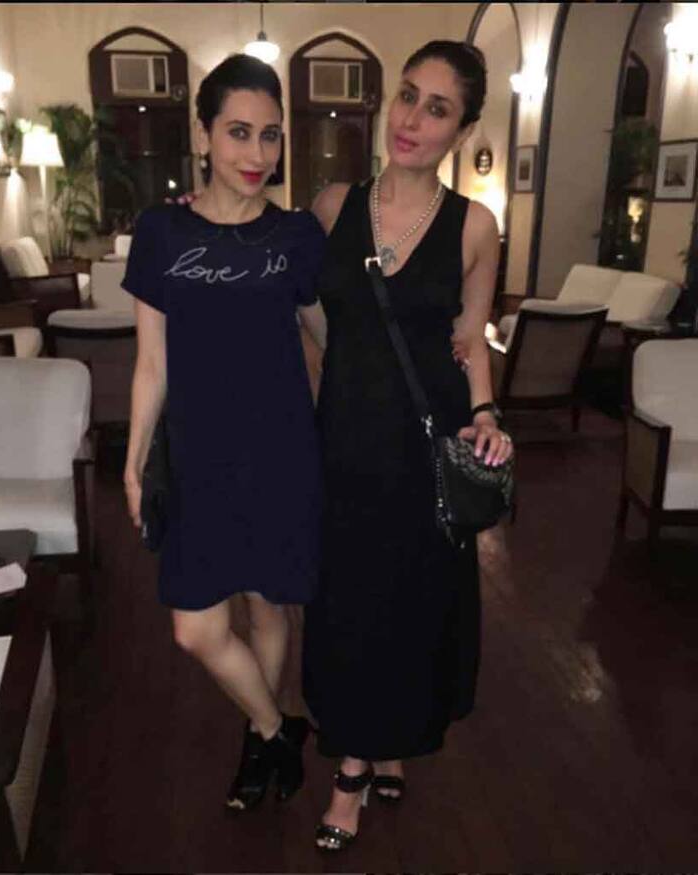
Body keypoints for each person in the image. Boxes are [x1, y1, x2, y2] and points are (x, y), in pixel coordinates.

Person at [301, 41, 514, 851]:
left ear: (463, 129)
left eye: (438, 108)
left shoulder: (475, 226)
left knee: (407, 606)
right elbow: (310, 313)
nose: (412, 119)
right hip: (345, 439)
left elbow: (469, 338)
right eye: (407, 95)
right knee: (349, 604)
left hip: (424, 448)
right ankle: (376, 745)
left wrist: (486, 413)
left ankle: (353, 769)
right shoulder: (332, 207)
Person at [122, 54, 329, 813]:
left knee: (270, 607)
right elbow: (151, 362)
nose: (256, 153)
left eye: (270, 135)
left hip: (281, 454)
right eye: (239, 132)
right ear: (203, 133)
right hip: (198, 459)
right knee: (196, 628)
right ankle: (276, 728)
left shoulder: (297, 236)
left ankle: (256, 747)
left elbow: (333, 337)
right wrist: (135, 462)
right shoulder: (161, 231)